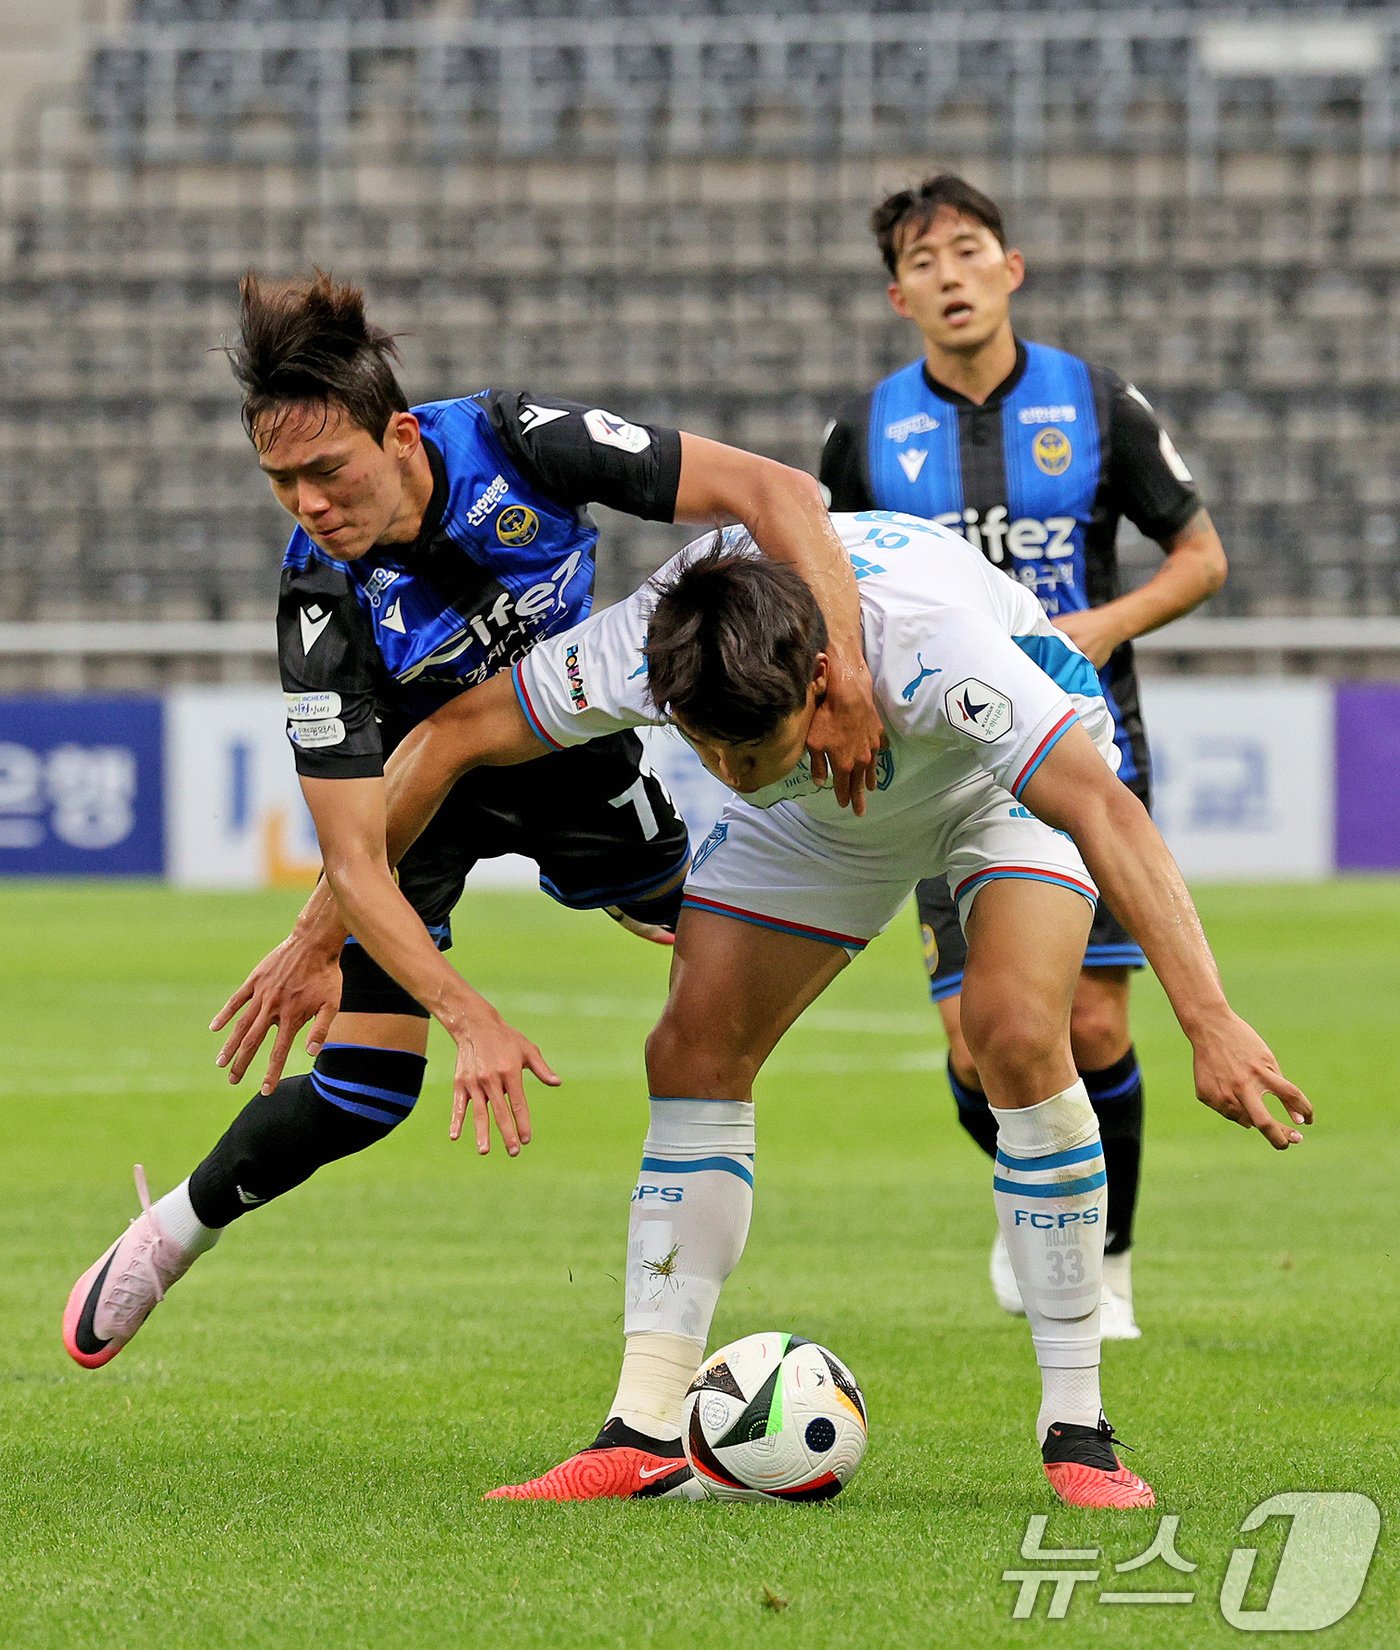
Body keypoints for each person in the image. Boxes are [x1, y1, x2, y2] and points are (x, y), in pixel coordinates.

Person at [190, 509, 1307, 1508]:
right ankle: (641, 1429)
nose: (724, 772)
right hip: (818, 814)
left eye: (746, 748)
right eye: (703, 749)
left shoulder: (935, 652)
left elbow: (1106, 814)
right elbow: (447, 739)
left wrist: (1207, 1018)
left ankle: (1077, 1428)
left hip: (988, 786)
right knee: (687, 1050)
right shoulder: (653, 639)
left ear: (823, 680)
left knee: (1012, 1032)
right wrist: (318, 932)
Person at [63, 270, 882, 1374]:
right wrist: (462, 1013)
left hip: (569, 753)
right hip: (421, 801)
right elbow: (356, 858)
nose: (308, 504)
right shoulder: (319, 605)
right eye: (281, 482)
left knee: (707, 934)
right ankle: (169, 1235)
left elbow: (776, 491)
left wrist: (847, 671)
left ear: (399, 436)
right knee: (361, 1094)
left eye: (328, 470)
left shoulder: (519, 442)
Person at [820, 175, 1230, 1339]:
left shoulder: (1095, 403)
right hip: (942, 762)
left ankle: (1105, 1262)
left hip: (1081, 743)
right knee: (975, 1046)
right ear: (897, 297)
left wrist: (1105, 624)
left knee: (1089, 1025)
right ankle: (1029, 1190)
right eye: (922, 261)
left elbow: (1199, 557)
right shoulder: (864, 434)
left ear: (1010, 269)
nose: (947, 274)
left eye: (966, 250)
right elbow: (825, 574)